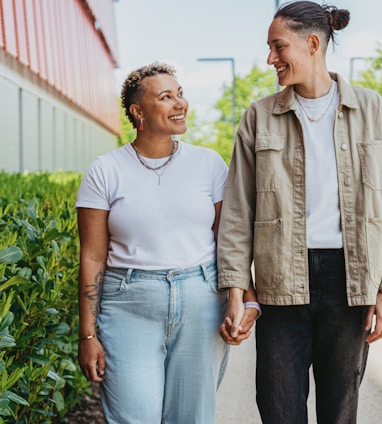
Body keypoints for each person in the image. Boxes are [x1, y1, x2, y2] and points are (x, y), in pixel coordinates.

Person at [218, 1, 382, 423]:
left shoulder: (373, 111)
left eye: (278, 47)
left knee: (339, 410)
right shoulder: (258, 117)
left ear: (312, 43)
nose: (271, 58)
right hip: (279, 279)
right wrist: (237, 287)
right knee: (278, 408)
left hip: (349, 279)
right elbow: (238, 208)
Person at [75, 62, 233, 423]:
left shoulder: (208, 164)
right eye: (166, 97)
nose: (180, 104)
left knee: (191, 417)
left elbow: (228, 241)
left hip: (202, 300)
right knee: (134, 416)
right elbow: (93, 255)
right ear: (138, 111)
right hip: (128, 304)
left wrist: (244, 297)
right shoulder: (105, 170)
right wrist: (87, 335)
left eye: (180, 94)